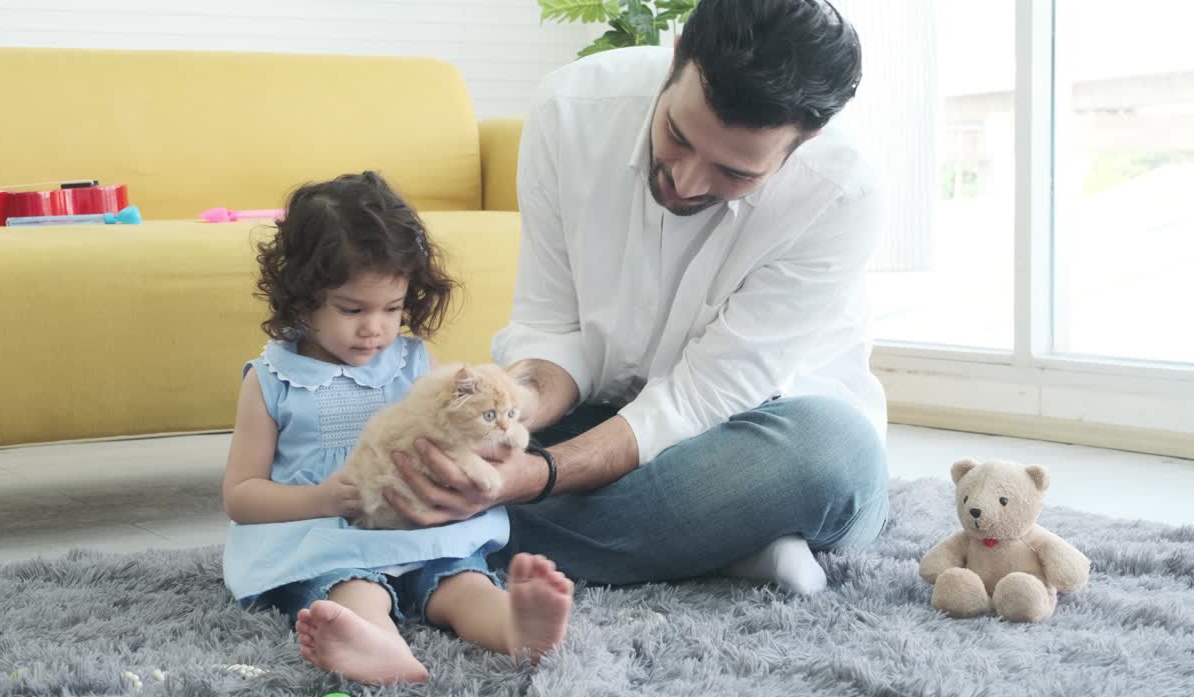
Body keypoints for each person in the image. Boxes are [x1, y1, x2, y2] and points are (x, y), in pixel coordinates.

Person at [381, 0, 890, 596]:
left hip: (753, 437)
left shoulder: (842, 195)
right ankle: (720, 542)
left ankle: (464, 526)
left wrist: (537, 476)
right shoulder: (569, 111)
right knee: (420, 433)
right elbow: (551, 327)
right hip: (603, 415)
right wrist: (508, 426)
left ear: (806, 140)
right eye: (677, 135)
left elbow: (704, 398)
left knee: (833, 454)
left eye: (735, 173)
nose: (686, 182)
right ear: (676, 58)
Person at [221, 171, 574, 686]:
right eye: (352, 309)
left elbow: (460, 431)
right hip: (330, 537)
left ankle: (514, 626)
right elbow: (241, 496)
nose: (375, 328)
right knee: (351, 587)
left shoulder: (414, 362)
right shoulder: (274, 380)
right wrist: (322, 500)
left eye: (392, 309)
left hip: (424, 526)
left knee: (462, 577)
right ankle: (376, 643)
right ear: (302, 296)